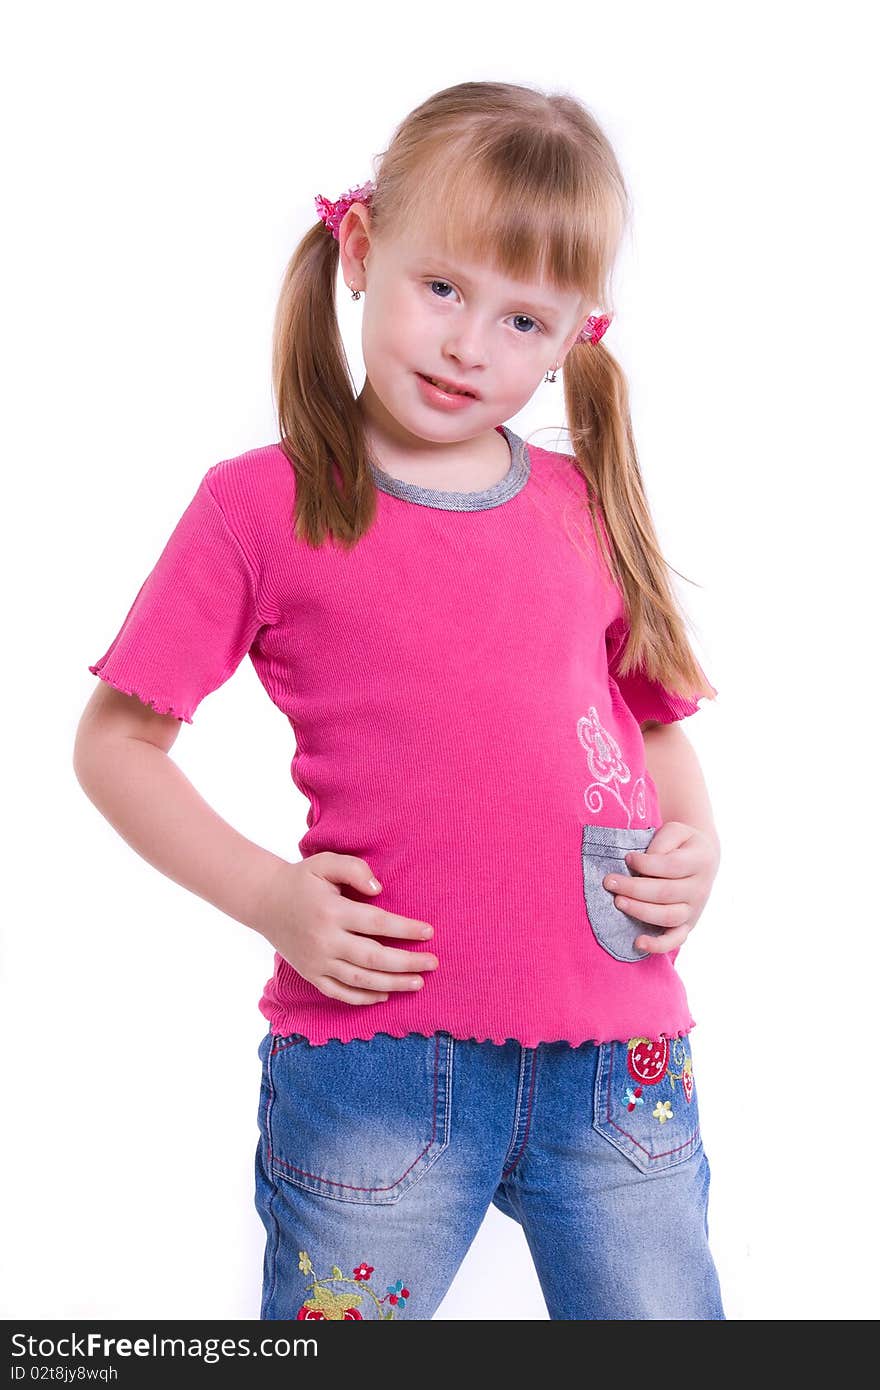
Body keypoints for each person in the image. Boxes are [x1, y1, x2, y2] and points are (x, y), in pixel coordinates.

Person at [74, 80, 725, 1321]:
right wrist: (272, 897)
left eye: (523, 318)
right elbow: (116, 745)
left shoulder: (582, 502)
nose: (472, 345)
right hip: (378, 1056)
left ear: (575, 333)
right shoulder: (259, 504)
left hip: (620, 1056)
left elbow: (648, 720)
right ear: (363, 251)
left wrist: (697, 847)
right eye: (444, 289)